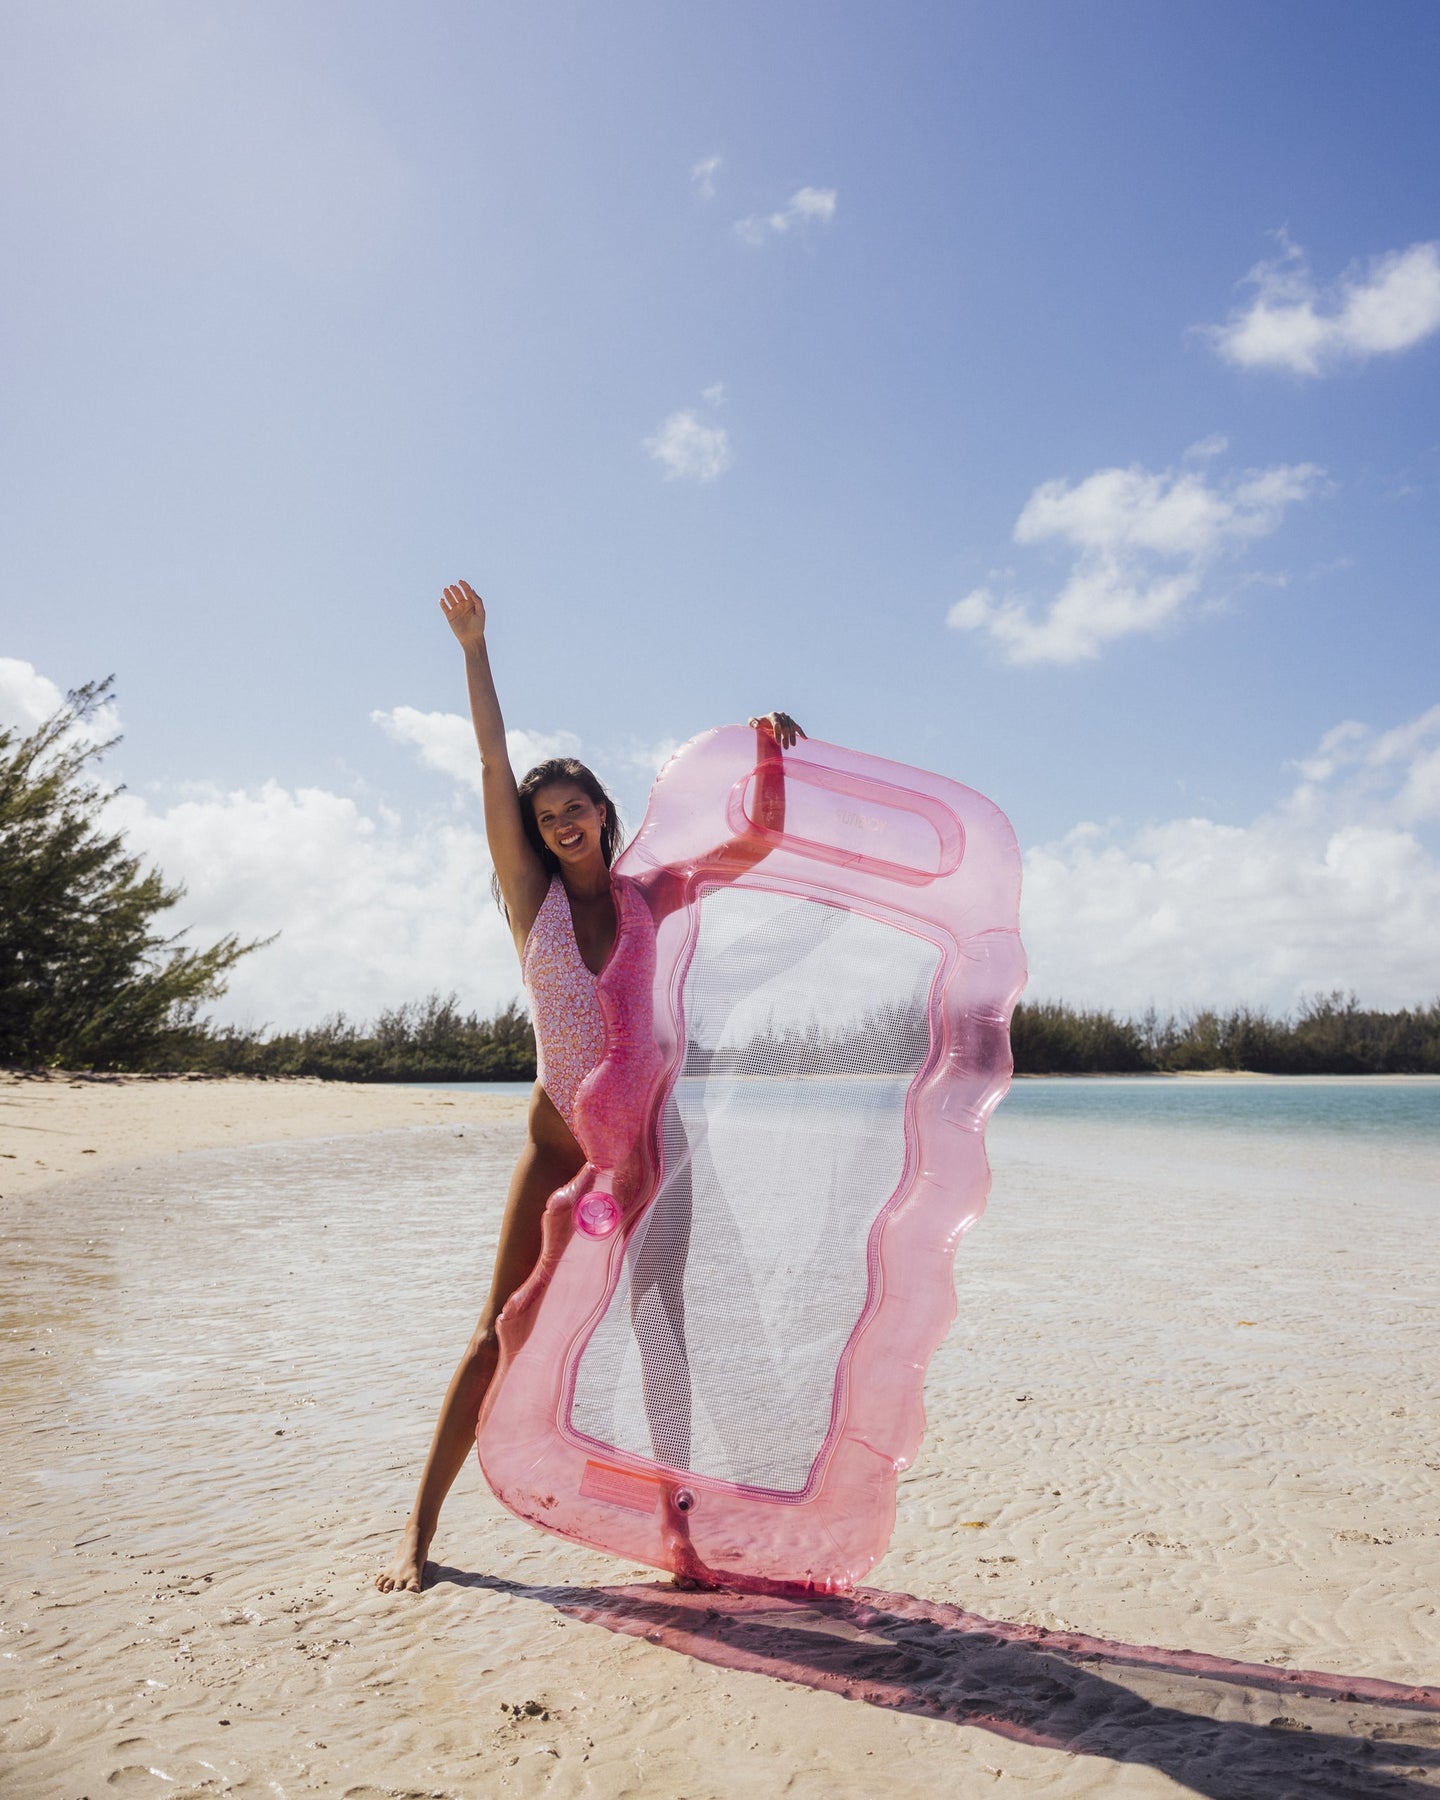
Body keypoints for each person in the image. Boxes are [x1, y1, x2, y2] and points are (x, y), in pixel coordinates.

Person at [376, 578, 803, 1593]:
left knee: (666, 1334)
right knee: (497, 1331)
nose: (562, 824)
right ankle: (416, 1539)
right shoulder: (530, 901)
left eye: (576, 808)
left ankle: (678, 1540)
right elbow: (489, 758)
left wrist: (772, 758)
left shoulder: (653, 891)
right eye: (547, 815)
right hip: (562, 1136)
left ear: (607, 812)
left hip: (654, 1142)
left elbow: (757, 843)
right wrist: (475, 648)